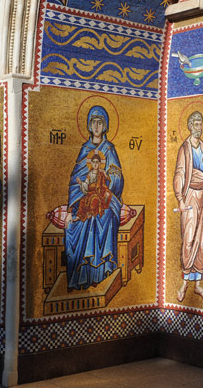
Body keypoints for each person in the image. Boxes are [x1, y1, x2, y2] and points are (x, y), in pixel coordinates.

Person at [64, 106, 124, 290]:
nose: (97, 126)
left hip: (106, 198)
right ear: (89, 126)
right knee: (75, 224)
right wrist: (70, 209)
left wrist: (108, 179)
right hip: (86, 197)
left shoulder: (109, 149)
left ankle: (99, 270)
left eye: (100, 122)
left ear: (105, 126)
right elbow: (75, 181)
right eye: (93, 122)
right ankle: (81, 275)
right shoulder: (84, 150)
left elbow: (118, 176)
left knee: (102, 217)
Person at [174, 110, 203, 302]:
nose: (199, 128)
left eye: (201, 124)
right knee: (189, 238)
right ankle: (184, 283)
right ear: (189, 126)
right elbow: (179, 173)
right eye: (195, 124)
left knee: (202, 241)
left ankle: (198, 284)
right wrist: (180, 198)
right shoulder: (184, 149)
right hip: (191, 197)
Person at [74, 154, 112, 222]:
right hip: (90, 192)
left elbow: (104, 184)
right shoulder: (90, 174)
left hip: (99, 193)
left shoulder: (101, 173)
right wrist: (81, 183)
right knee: (83, 201)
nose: (95, 164)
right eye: (93, 162)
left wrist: (105, 175)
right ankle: (79, 216)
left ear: (100, 163)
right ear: (91, 163)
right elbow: (86, 183)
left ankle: (91, 213)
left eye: (97, 162)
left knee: (95, 200)